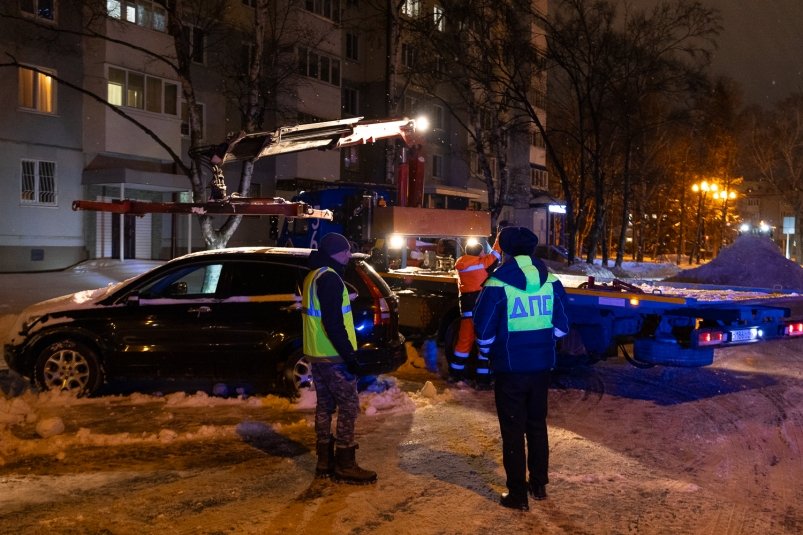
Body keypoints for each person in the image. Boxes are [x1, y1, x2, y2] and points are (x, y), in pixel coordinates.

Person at [472, 226, 570, 511]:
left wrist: (489, 352)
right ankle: (538, 485)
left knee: (513, 430)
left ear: (506, 250)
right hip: (541, 368)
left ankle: (517, 495)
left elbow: (484, 331)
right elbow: (563, 328)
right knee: (537, 426)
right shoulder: (551, 281)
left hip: (509, 369)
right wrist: (543, 342)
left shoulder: (497, 284)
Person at [301, 232, 377, 484]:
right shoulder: (331, 279)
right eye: (345, 252)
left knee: (324, 406)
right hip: (333, 356)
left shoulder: (313, 276)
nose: (348, 256)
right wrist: (350, 357)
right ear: (335, 253)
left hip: (316, 353)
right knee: (348, 406)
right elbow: (333, 324)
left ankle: (324, 460)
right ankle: (345, 462)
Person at [451, 242, 500, 384]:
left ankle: (455, 374)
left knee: (464, 342)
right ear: (479, 253)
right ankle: (483, 379)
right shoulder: (482, 264)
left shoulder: (461, 264)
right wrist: (500, 235)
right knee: (484, 344)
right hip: (481, 311)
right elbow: (496, 254)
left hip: (467, 310)